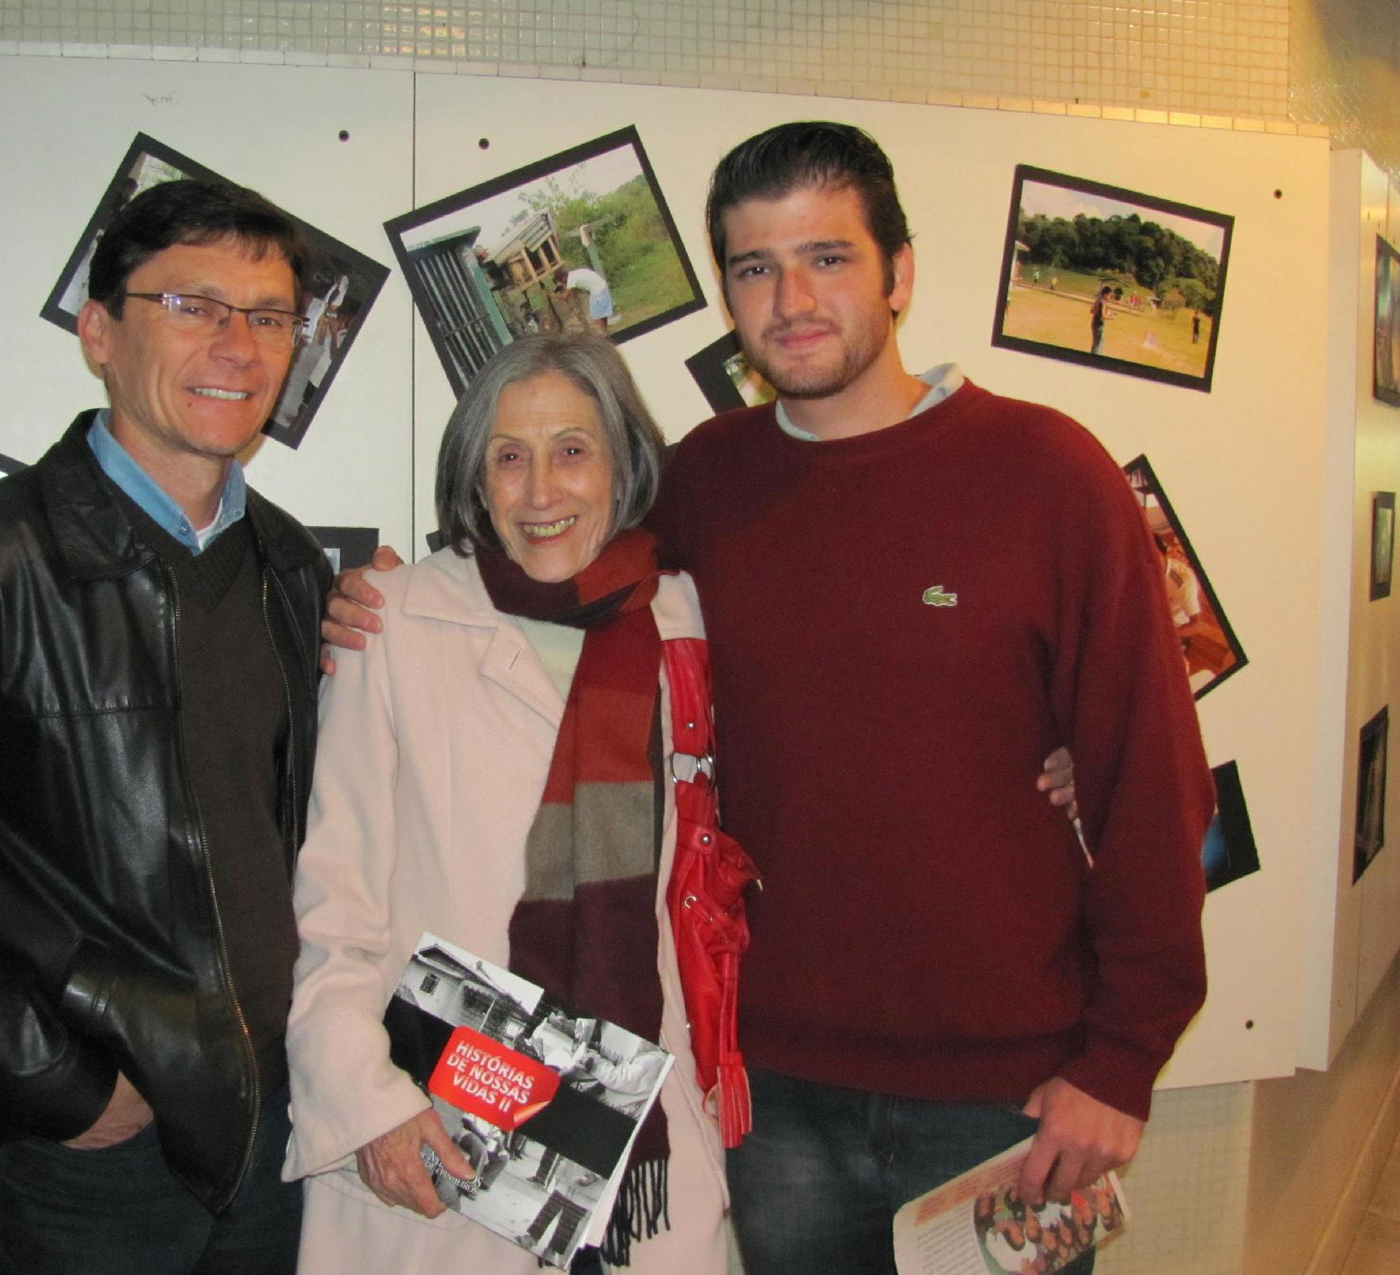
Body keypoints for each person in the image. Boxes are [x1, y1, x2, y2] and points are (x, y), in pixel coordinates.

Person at [326, 121, 1210, 1274]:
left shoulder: (1049, 475)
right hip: (771, 1091)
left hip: (1006, 1095)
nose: (790, 300)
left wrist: (1119, 1062)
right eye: (753, 268)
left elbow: (1152, 777)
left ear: (896, 274)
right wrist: (391, 598)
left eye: (827, 259)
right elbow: (549, 569)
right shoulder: (704, 483)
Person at [0, 178, 331, 1275]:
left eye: (268, 317)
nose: (238, 345)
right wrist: (60, 1084)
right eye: (194, 306)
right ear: (98, 331)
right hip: (83, 1154)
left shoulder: (287, 566)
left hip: (280, 1122)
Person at [284, 334, 731, 1273]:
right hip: (434, 1132)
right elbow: (336, 900)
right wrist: (370, 1106)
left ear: (622, 461)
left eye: (572, 450)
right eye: (509, 456)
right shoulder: (393, 617)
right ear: (474, 478)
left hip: (643, 1130)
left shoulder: (685, 615)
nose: (540, 492)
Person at [552, 265, 614, 334]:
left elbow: (564, 297)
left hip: (597, 290)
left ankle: (605, 334)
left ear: (564, 278)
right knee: (601, 314)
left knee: (597, 316)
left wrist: (556, 295)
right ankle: (606, 331)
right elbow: (574, 291)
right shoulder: (574, 274)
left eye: (562, 282)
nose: (563, 284)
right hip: (602, 285)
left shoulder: (571, 279)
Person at [1090, 285, 1113, 354]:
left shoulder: (1098, 300)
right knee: (1098, 345)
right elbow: (1103, 316)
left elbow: (1091, 311)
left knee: (1095, 343)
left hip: (1094, 323)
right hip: (1099, 325)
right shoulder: (1103, 302)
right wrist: (1111, 317)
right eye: (1110, 296)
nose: (1110, 298)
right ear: (1105, 294)